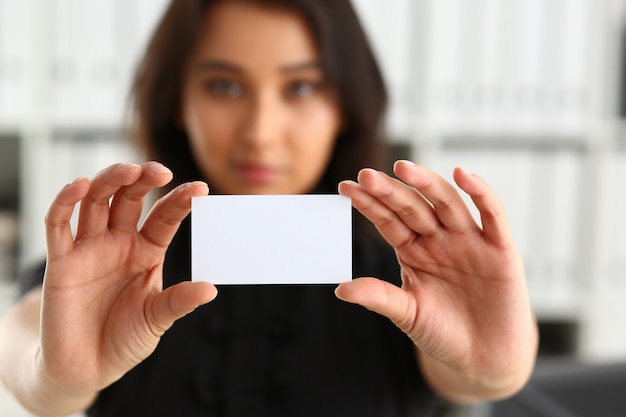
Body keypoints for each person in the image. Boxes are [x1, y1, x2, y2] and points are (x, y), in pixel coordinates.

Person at [0, 0, 538, 416]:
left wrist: (493, 372)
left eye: (300, 87)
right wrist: (58, 378)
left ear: (346, 107)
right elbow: (24, 345)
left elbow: (469, 373)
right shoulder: (104, 274)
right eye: (225, 86)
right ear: (177, 104)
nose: (260, 133)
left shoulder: (408, 276)